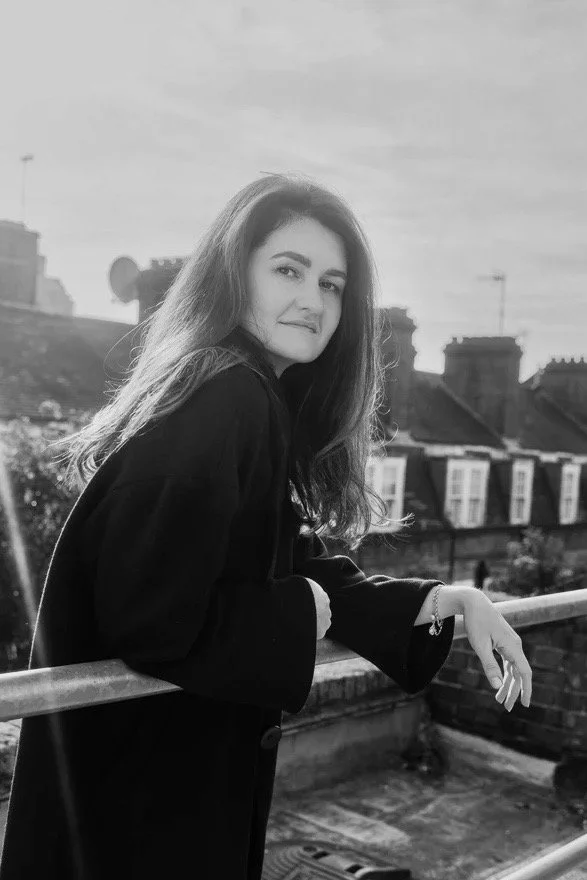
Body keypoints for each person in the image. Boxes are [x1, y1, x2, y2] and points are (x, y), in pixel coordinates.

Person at [0, 173, 533, 880]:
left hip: (140, 796)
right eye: (288, 270)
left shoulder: (230, 389)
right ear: (234, 274)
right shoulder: (228, 397)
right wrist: (296, 613)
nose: (312, 300)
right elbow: (147, 613)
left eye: (332, 284)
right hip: (136, 816)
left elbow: (269, 560)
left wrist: (436, 600)